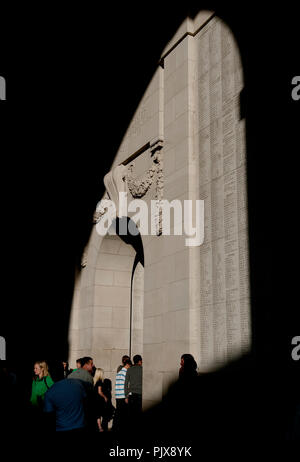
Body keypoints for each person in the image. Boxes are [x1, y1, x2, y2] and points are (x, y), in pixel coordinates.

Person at [113, 358, 132, 432]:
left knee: (118, 413)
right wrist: (128, 395)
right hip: (124, 396)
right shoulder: (126, 372)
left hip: (118, 395)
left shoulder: (119, 372)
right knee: (124, 415)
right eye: (130, 366)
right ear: (127, 365)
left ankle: (116, 428)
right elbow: (127, 385)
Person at [93, 368, 115, 432]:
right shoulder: (100, 381)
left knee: (98, 415)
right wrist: (105, 397)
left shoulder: (94, 381)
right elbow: (99, 392)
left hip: (95, 399)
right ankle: (101, 428)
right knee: (102, 414)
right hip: (99, 400)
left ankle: (99, 427)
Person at [125, 354, 143, 427]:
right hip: (141, 394)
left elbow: (126, 383)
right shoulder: (143, 369)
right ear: (139, 361)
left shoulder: (129, 369)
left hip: (132, 395)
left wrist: (126, 396)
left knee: (131, 415)